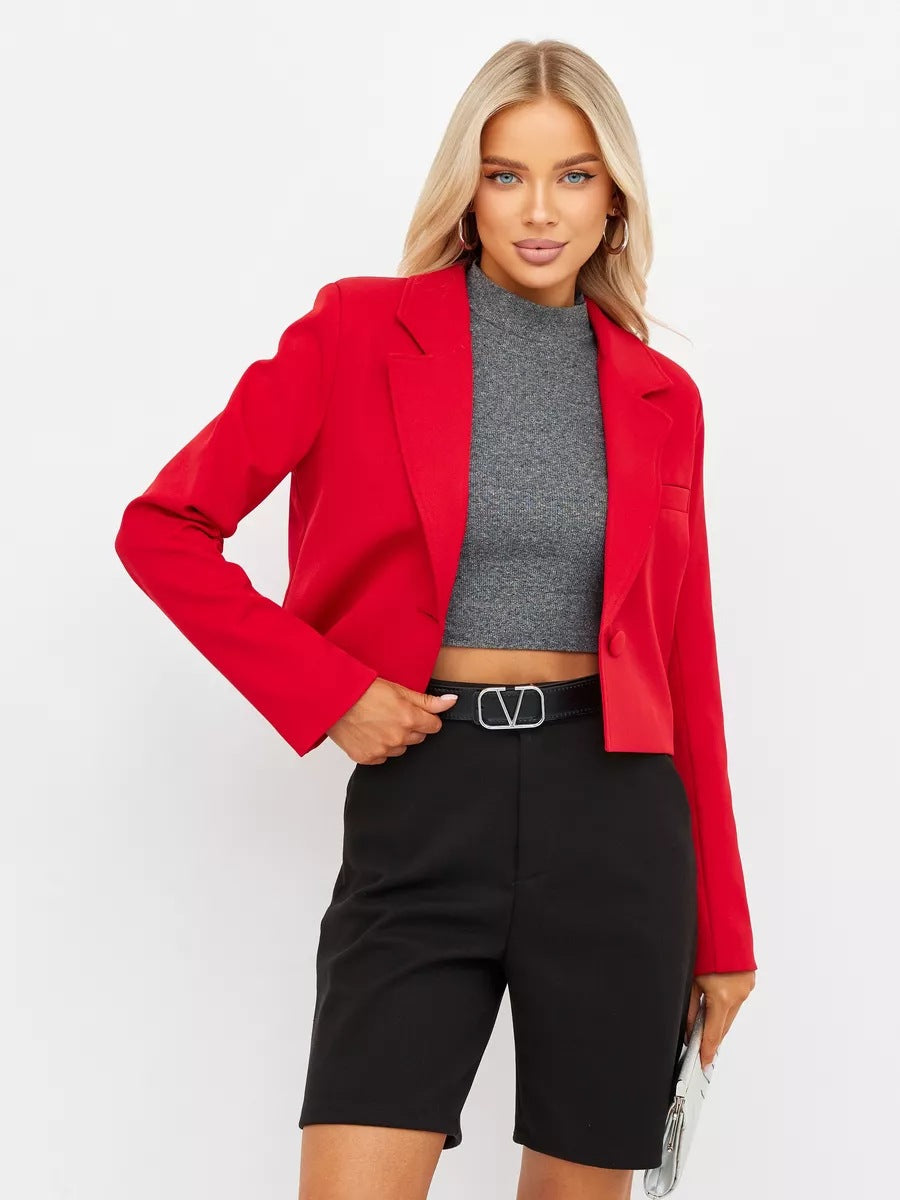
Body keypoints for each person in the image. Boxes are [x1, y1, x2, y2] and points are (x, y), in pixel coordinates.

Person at [114, 37, 757, 1200]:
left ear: (614, 197)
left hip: (615, 818)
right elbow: (164, 528)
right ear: (468, 188)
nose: (540, 210)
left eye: (573, 175)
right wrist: (331, 692)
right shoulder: (358, 333)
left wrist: (725, 932)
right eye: (507, 175)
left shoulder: (663, 395)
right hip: (424, 797)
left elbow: (685, 663)